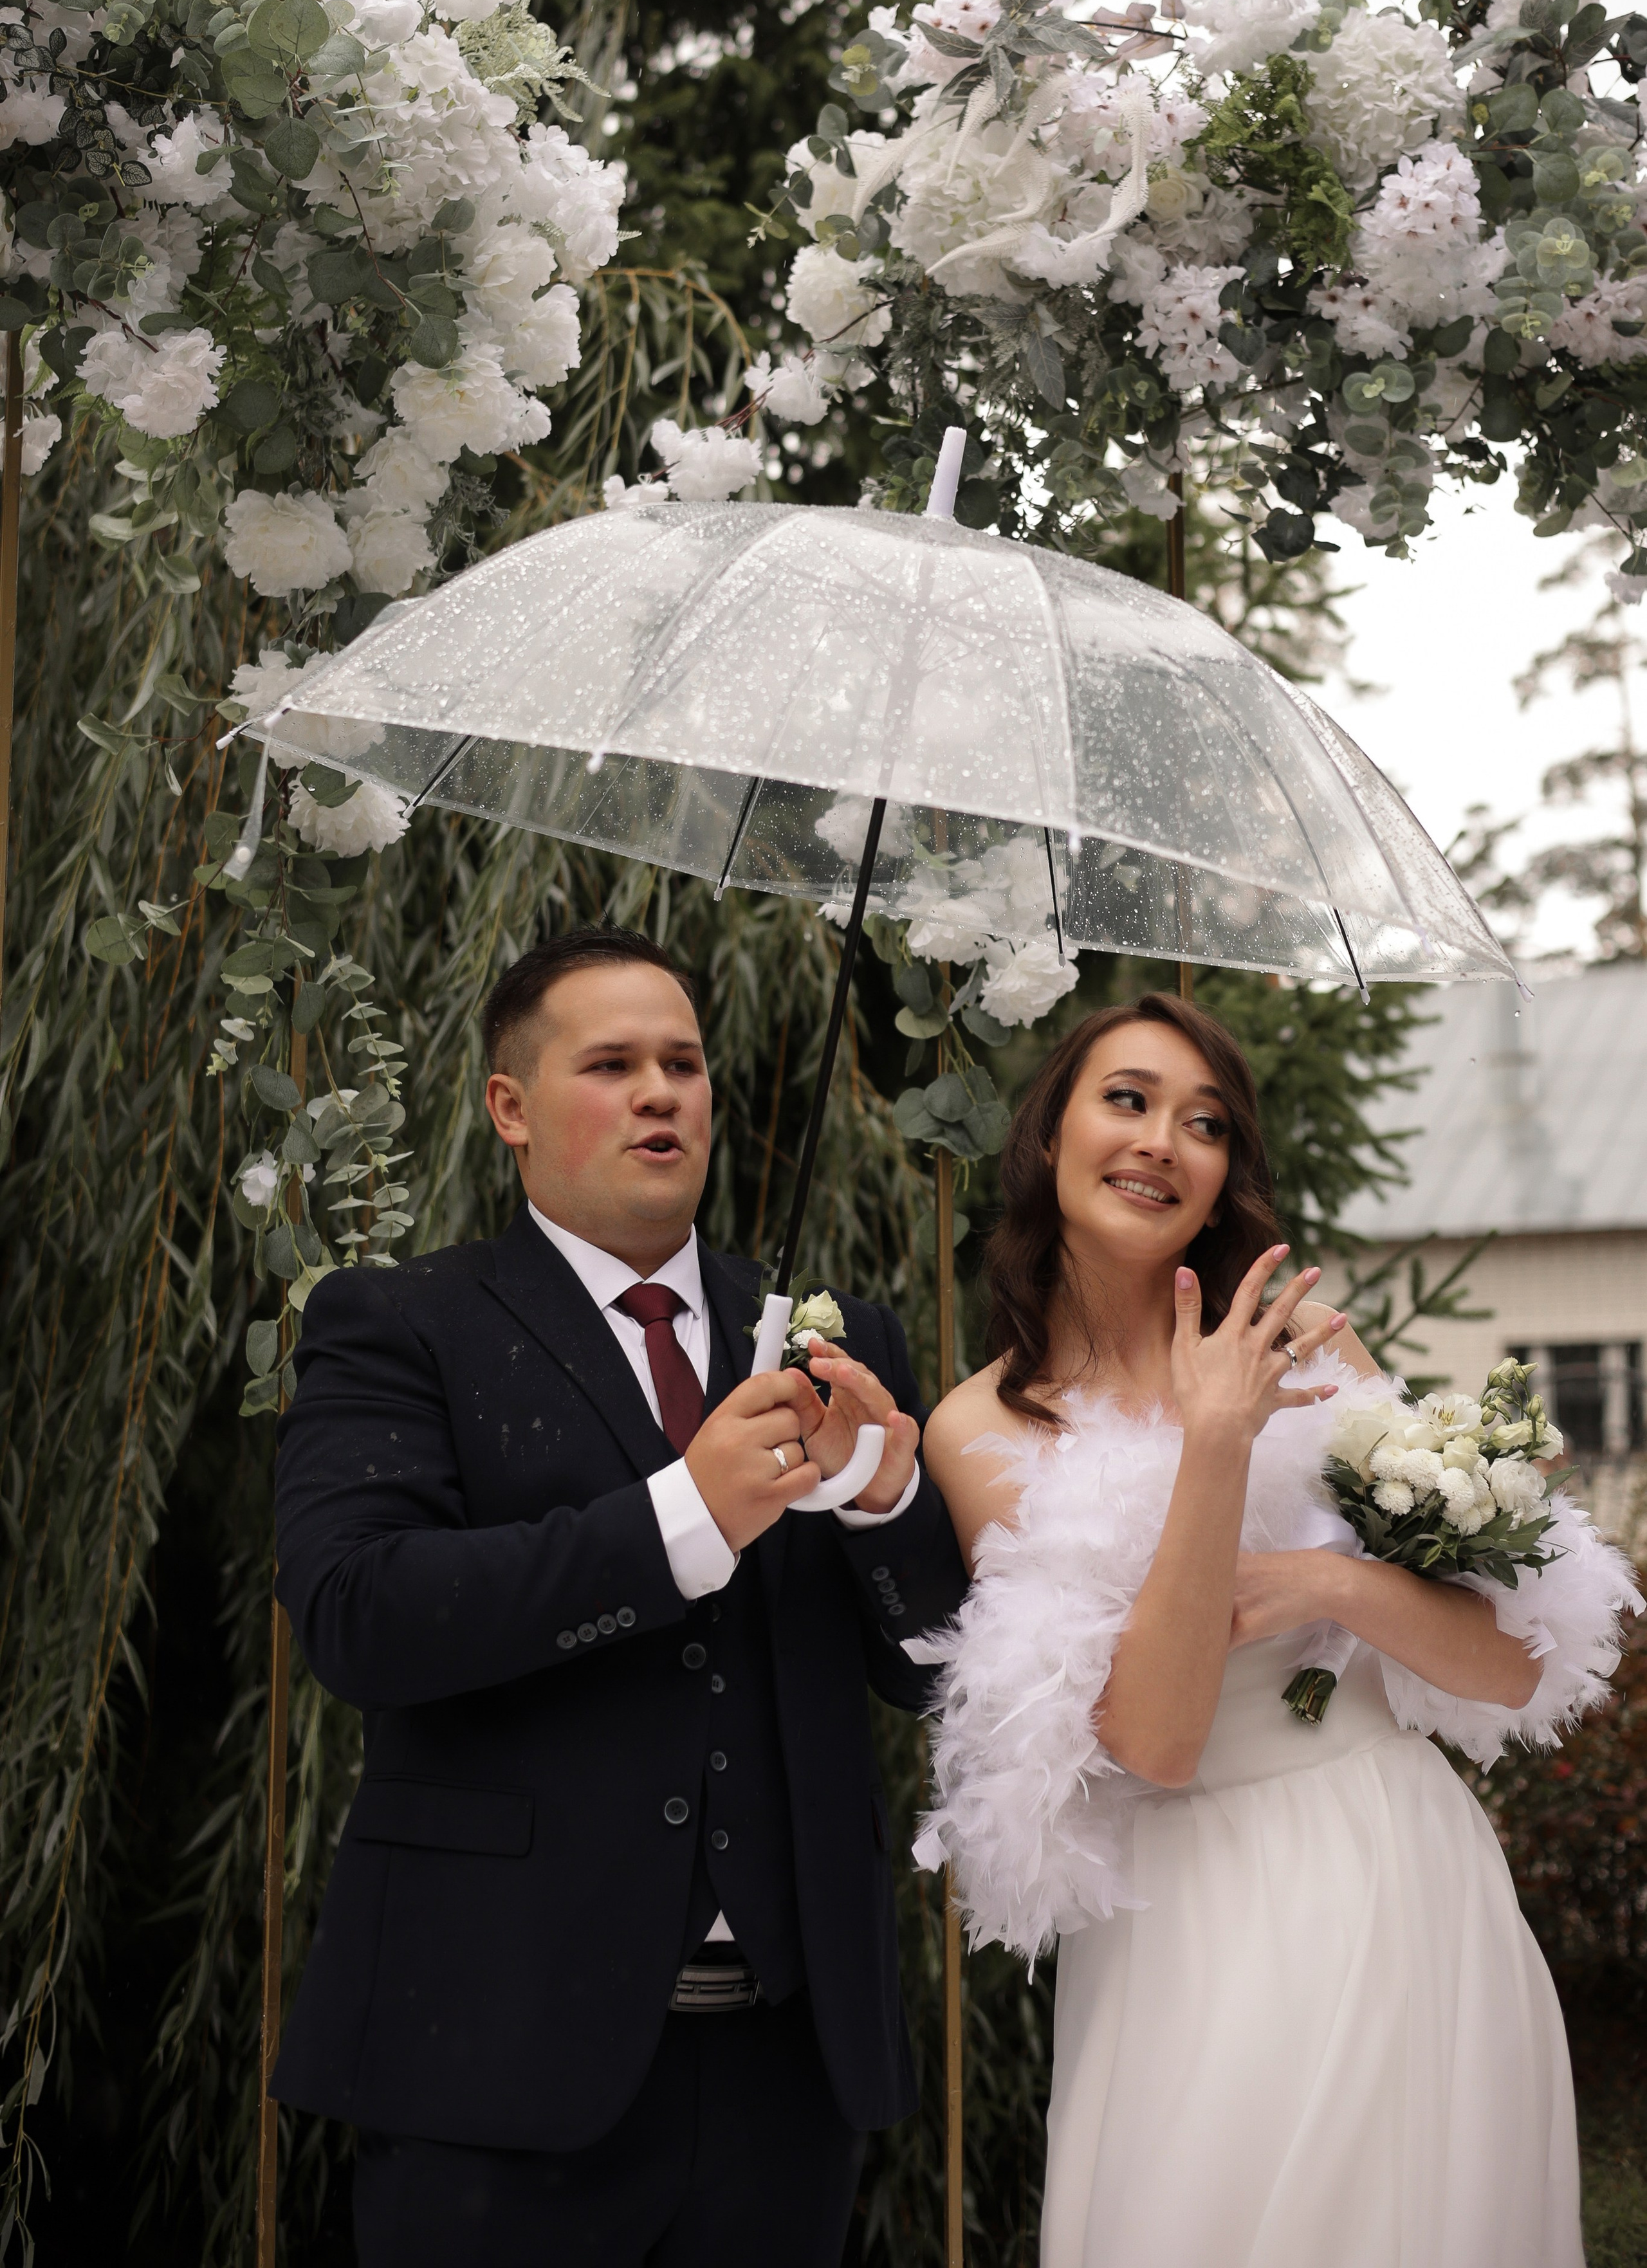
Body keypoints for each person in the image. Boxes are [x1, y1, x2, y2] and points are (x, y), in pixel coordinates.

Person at [270, 923, 969, 2267]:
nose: (662, 1091)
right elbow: (362, 1612)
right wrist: (683, 1514)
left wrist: (880, 1500)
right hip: (491, 2055)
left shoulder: (833, 1344)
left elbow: (942, 1669)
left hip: (785, 2069)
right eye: (612, 1063)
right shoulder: (398, 1321)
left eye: (684, 1063)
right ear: (510, 1109)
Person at [917, 992, 1640, 2268]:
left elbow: (1517, 1661)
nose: (1159, 1141)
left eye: (1202, 1124)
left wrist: (1333, 1584)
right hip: (1188, 1921)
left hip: (1399, 1870)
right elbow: (1152, 1742)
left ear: (1220, 1183)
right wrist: (1211, 1442)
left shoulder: (1313, 1350)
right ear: (1048, 1138)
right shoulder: (981, 1431)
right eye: (1126, 1100)